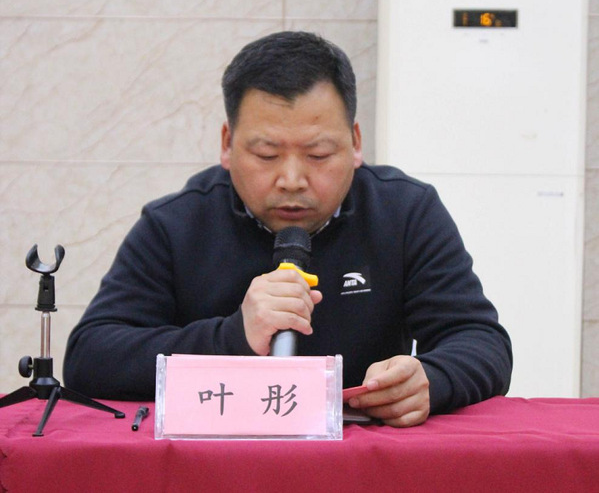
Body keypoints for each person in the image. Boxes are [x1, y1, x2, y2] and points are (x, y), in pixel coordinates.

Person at [64, 31, 512, 428]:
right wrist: (233, 337)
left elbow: (481, 341)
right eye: (266, 155)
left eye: (318, 155)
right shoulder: (177, 224)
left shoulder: (405, 212)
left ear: (356, 143)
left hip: (359, 461)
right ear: (227, 144)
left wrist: (433, 379)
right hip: (214, 461)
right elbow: (90, 356)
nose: (292, 179)